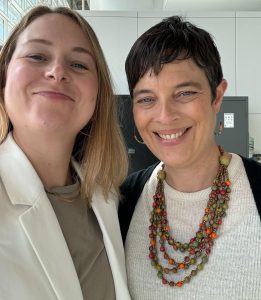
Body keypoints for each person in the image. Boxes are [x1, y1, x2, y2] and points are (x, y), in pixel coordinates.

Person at [119, 16, 261, 299]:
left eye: (184, 93)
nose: (165, 116)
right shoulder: (121, 203)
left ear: (217, 96)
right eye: (146, 98)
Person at [0, 6, 131, 300]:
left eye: (79, 65)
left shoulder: (107, 197)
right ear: (3, 76)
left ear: (98, 95)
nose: (57, 71)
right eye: (37, 56)